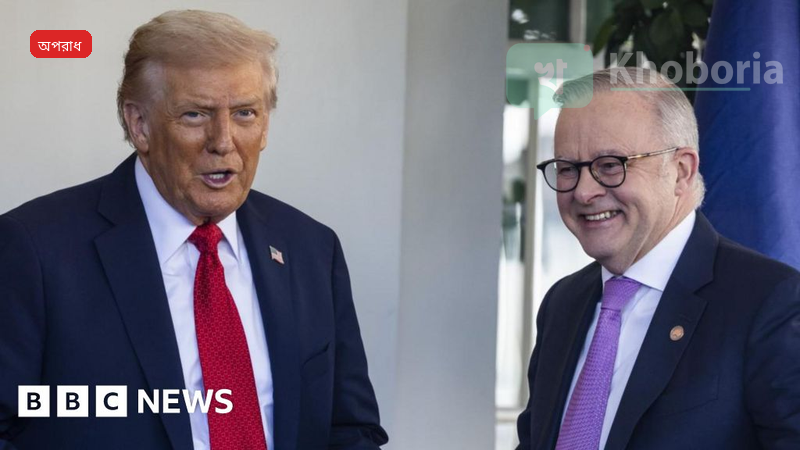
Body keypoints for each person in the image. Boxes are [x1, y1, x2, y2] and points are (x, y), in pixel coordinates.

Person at [0, 10, 387, 450]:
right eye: (195, 115)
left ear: (265, 125)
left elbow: (349, 429)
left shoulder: (311, 248)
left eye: (245, 113)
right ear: (139, 125)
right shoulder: (35, 249)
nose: (223, 141)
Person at [516, 67, 800, 449]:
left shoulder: (769, 302)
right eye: (568, 169)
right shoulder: (562, 303)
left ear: (681, 172)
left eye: (610, 165)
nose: (583, 192)